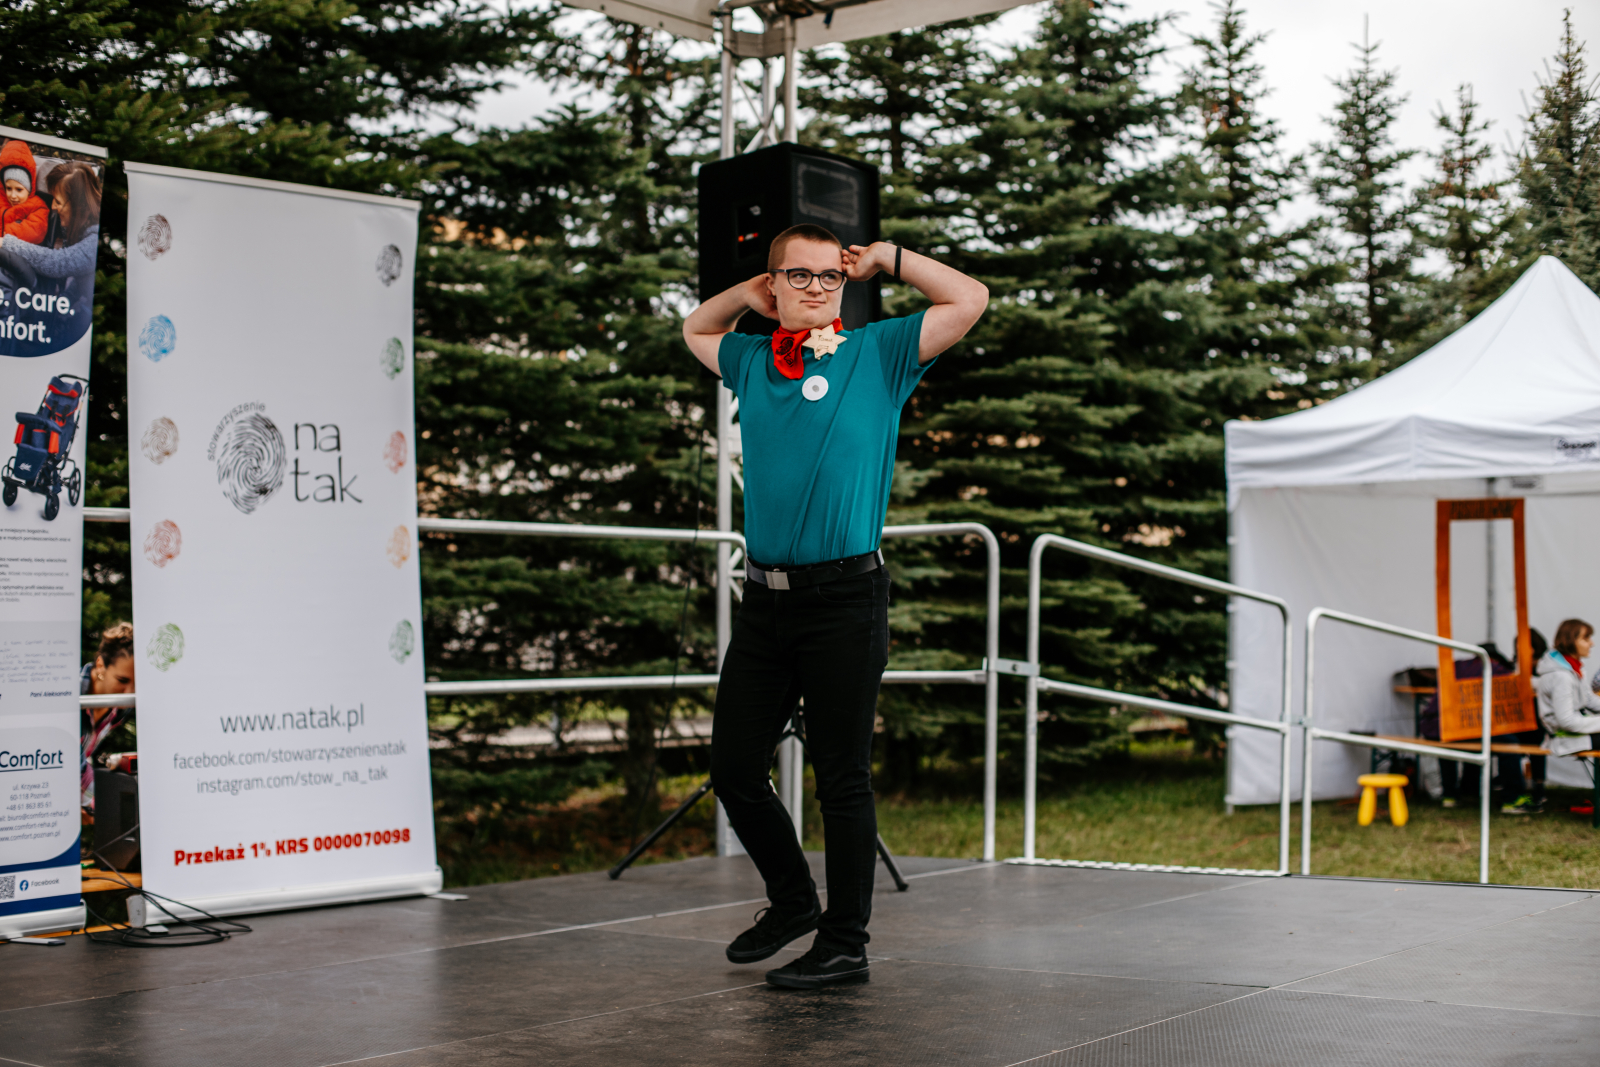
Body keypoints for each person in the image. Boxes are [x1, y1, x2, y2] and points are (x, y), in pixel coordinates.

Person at [683, 226, 987, 990]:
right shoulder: (752, 361)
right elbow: (696, 328)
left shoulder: (879, 353)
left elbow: (969, 299)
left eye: (829, 276)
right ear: (775, 284)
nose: (817, 287)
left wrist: (887, 259)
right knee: (733, 768)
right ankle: (793, 899)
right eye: (799, 275)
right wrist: (746, 295)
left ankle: (845, 942)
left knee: (842, 778)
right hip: (765, 601)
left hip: (846, 599)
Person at [0, 160, 100, 294]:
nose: (53, 206)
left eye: (58, 201)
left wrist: (6, 242)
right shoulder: (78, 232)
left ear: (77, 205)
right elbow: (75, 289)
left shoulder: (94, 242)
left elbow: (57, 262)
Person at [80, 622, 136, 815]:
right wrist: (96, 806)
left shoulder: (120, 708)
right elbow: (71, 758)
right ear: (100, 665)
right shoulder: (70, 696)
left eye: (138, 683)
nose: (130, 692)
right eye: (122, 680)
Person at [1533, 618, 1600, 770]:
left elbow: (1589, 700)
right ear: (1571, 641)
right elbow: (1567, 721)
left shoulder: (1572, 668)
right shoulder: (1561, 676)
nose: (1592, 644)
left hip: (1574, 736)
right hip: (1565, 740)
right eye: (1586, 639)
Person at [0, 140, 49, 245]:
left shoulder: (37, 206)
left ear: (29, 188)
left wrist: (5, 234)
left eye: (19, 189)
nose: (13, 196)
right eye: (9, 188)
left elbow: (35, 231)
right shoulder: (1, 200)